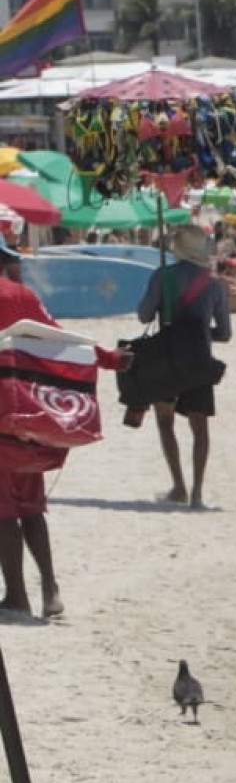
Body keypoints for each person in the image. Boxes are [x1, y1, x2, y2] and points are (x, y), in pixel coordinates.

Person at [137, 226, 231, 509]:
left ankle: (179, 486)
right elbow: (225, 333)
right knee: (199, 426)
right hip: (198, 358)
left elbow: (144, 315)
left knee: (165, 422)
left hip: (166, 356)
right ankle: (198, 492)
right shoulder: (214, 285)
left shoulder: (162, 276)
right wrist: (201, 332)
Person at [0, 238, 67, 617]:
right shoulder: (23, 296)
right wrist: (109, 359)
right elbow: (59, 339)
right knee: (30, 504)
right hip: (25, 414)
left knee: (3, 511)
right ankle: (50, 589)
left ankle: (16, 596)